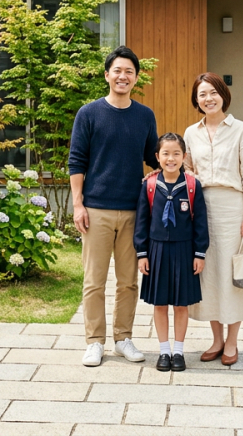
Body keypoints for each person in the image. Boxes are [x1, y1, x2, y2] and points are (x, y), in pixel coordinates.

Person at [68, 45, 160, 367]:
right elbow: (76, 161)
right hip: (96, 210)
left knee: (128, 281)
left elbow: (153, 158)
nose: (123, 76)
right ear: (107, 75)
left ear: (135, 78)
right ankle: (95, 342)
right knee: (94, 280)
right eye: (117, 71)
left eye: (129, 72)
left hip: (134, 210)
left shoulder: (145, 115)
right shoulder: (89, 113)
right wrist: (78, 205)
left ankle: (123, 339)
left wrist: (181, 165)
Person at [184, 72, 243, 367]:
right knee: (208, 275)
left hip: (233, 208)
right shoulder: (191, 133)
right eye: (202, 94)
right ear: (196, 100)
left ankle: (232, 341)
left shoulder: (241, 131)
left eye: (213, 92)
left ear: (223, 95)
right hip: (202, 209)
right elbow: (188, 171)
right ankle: (216, 339)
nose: (208, 99)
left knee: (233, 275)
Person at [134, 133, 209, 372]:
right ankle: (163, 350)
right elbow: (141, 222)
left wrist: (200, 253)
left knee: (181, 305)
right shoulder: (150, 185)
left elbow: (201, 223)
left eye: (176, 153)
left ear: (184, 156)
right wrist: (142, 253)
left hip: (184, 251)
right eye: (165, 153)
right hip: (156, 251)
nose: (171, 158)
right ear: (157, 157)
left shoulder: (192, 185)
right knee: (159, 304)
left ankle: (179, 350)